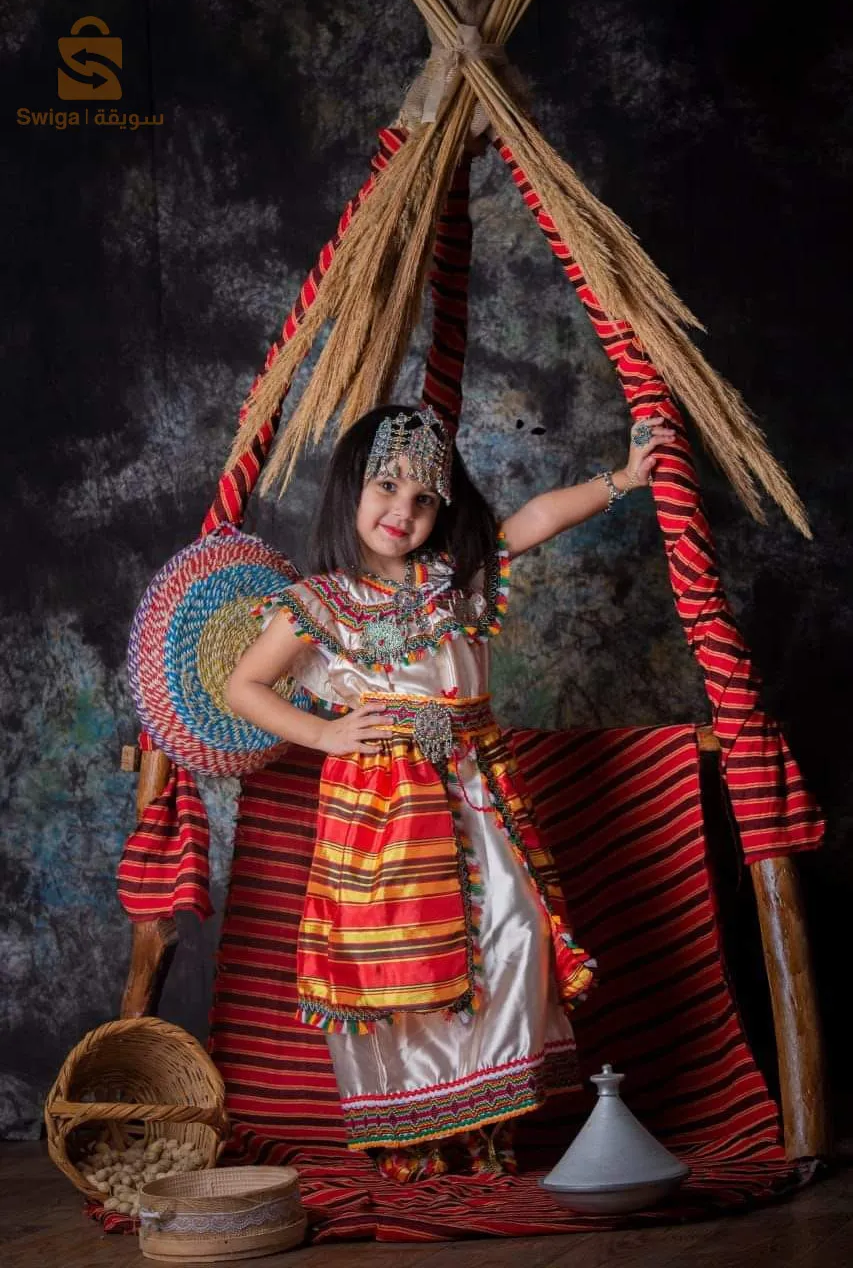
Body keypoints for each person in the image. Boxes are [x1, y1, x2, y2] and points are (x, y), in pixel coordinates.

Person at [225, 403, 674, 1182]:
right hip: (383, 807)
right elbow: (244, 686)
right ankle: (416, 1133)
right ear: (349, 489)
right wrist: (327, 735)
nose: (401, 510)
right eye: (385, 486)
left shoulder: (453, 577)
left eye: (423, 497)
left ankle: (487, 1119)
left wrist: (626, 478)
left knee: (514, 930)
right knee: (404, 962)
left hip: (472, 788)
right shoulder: (319, 602)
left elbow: (536, 517)